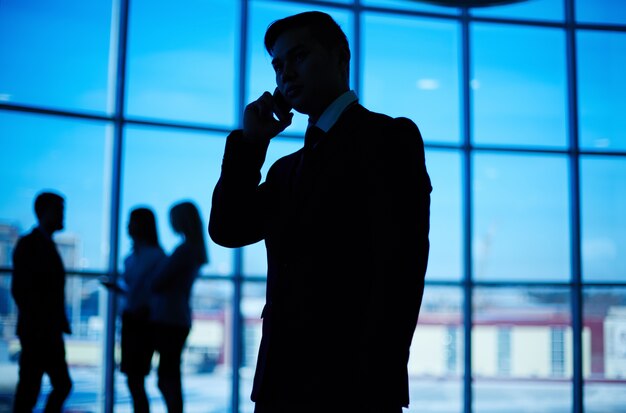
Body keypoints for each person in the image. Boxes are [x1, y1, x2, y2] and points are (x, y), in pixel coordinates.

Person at [209, 11, 432, 413]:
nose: (285, 75)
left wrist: (375, 383)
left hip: (352, 385)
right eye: (278, 65)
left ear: (339, 57)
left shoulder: (388, 139)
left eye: (298, 57)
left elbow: (401, 270)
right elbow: (228, 228)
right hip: (280, 382)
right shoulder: (285, 168)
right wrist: (250, 144)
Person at [11, 191, 72, 413]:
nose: (63, 216)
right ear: (44, 212)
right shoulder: (31, 245)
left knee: (33, 387)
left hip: (43, 330)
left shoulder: (39, 244)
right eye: (59, 211)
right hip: (40, 331)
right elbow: (22, 290)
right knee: (37, 387)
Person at [102, 207, 166, 413]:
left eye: (133, 221)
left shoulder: (155, 256)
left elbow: (153, 291)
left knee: (135, 378)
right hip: (131, 319)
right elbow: (138, 291)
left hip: (143, 321)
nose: (128, 226)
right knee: (133, 378)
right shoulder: (132, 257)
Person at [150, 201, 208, 413]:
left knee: (167, 378)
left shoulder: (184, 250)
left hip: (170, 319)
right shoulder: (194, 250)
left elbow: (158, 283)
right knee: (170, 375)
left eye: (173, 218)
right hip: (178, 317)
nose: (170, 223)